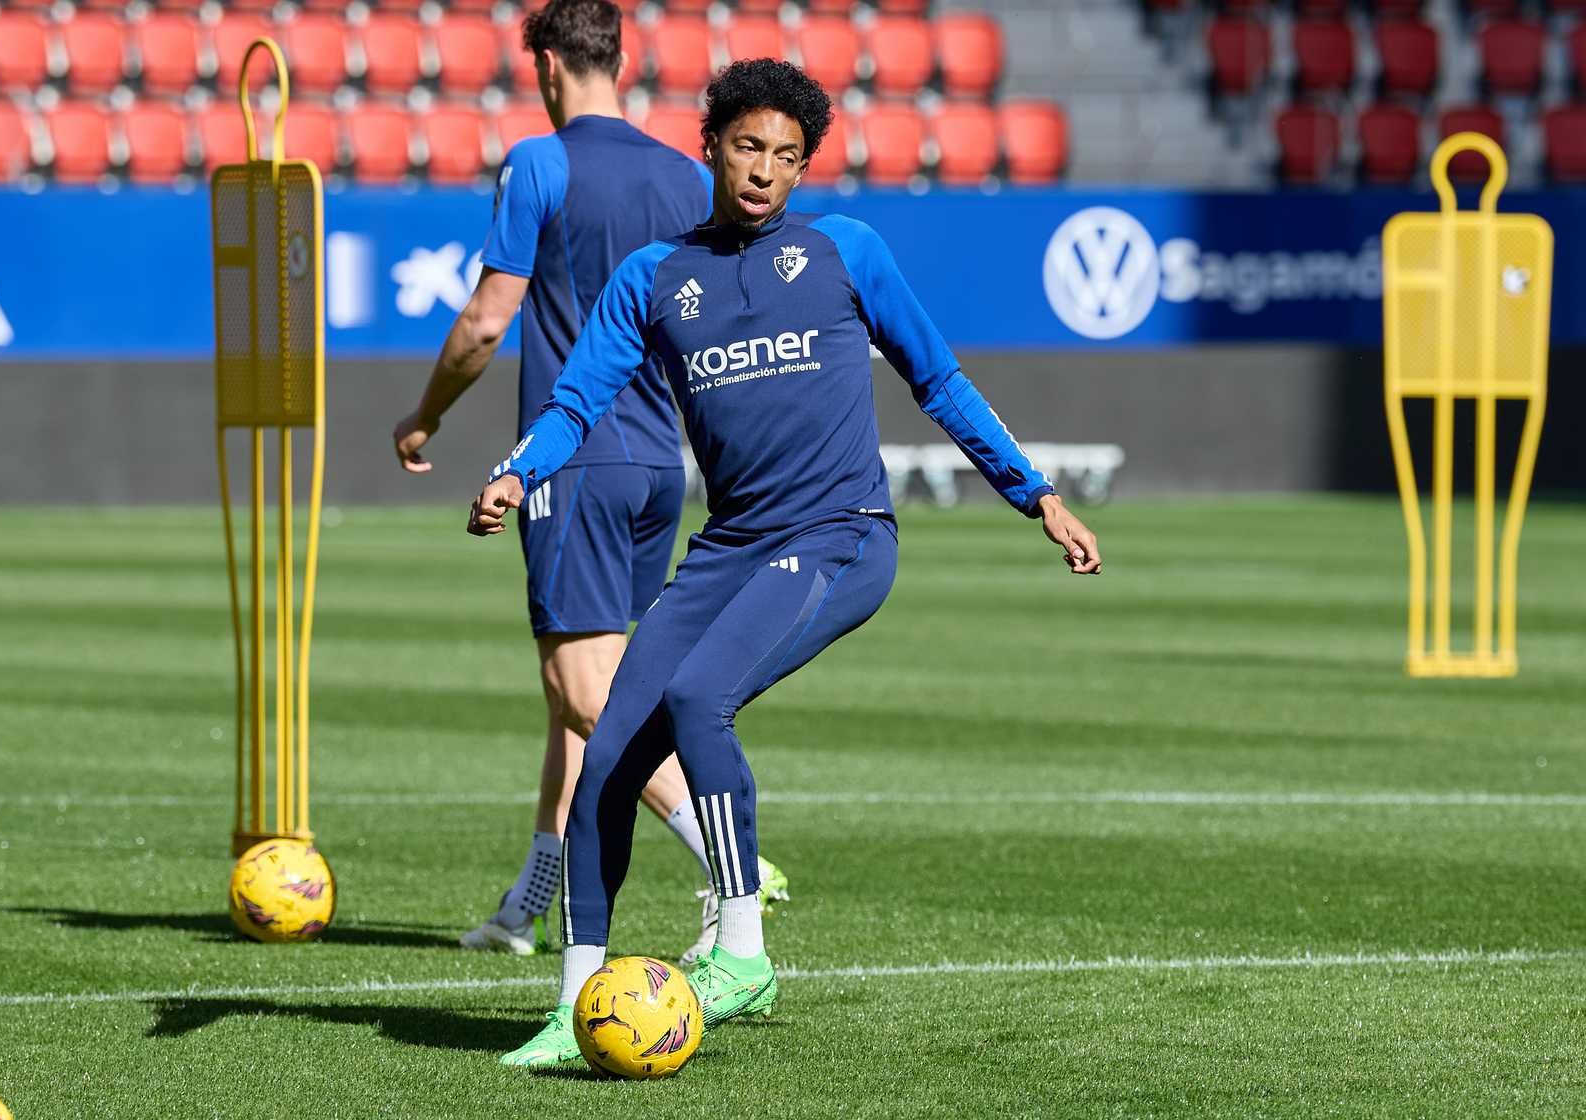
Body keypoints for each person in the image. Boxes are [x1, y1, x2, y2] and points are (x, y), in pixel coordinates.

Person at [469, 58, 1103, 1068]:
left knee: (699, 701)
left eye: (787, 155)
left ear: (805, 166)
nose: (765, 169)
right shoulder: (654, 278)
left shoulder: (846, 251)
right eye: (748, 147)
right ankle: (573, 1001)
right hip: (728, 548)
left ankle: (743, 953)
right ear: (712, 148)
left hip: (841, 534)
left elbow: (939, 380)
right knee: (606, 765)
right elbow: (577, 400)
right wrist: (517, 473)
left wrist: (1037, 495)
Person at [392, 0, 786, 961]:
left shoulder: (539, 162)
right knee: (589, 688)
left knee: (580, 688)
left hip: (574, 457)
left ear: (548, 66)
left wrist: (425, 414)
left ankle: (729, 860)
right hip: (657, 465)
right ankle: (527, 903)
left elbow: (489, 318)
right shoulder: (687, 173)